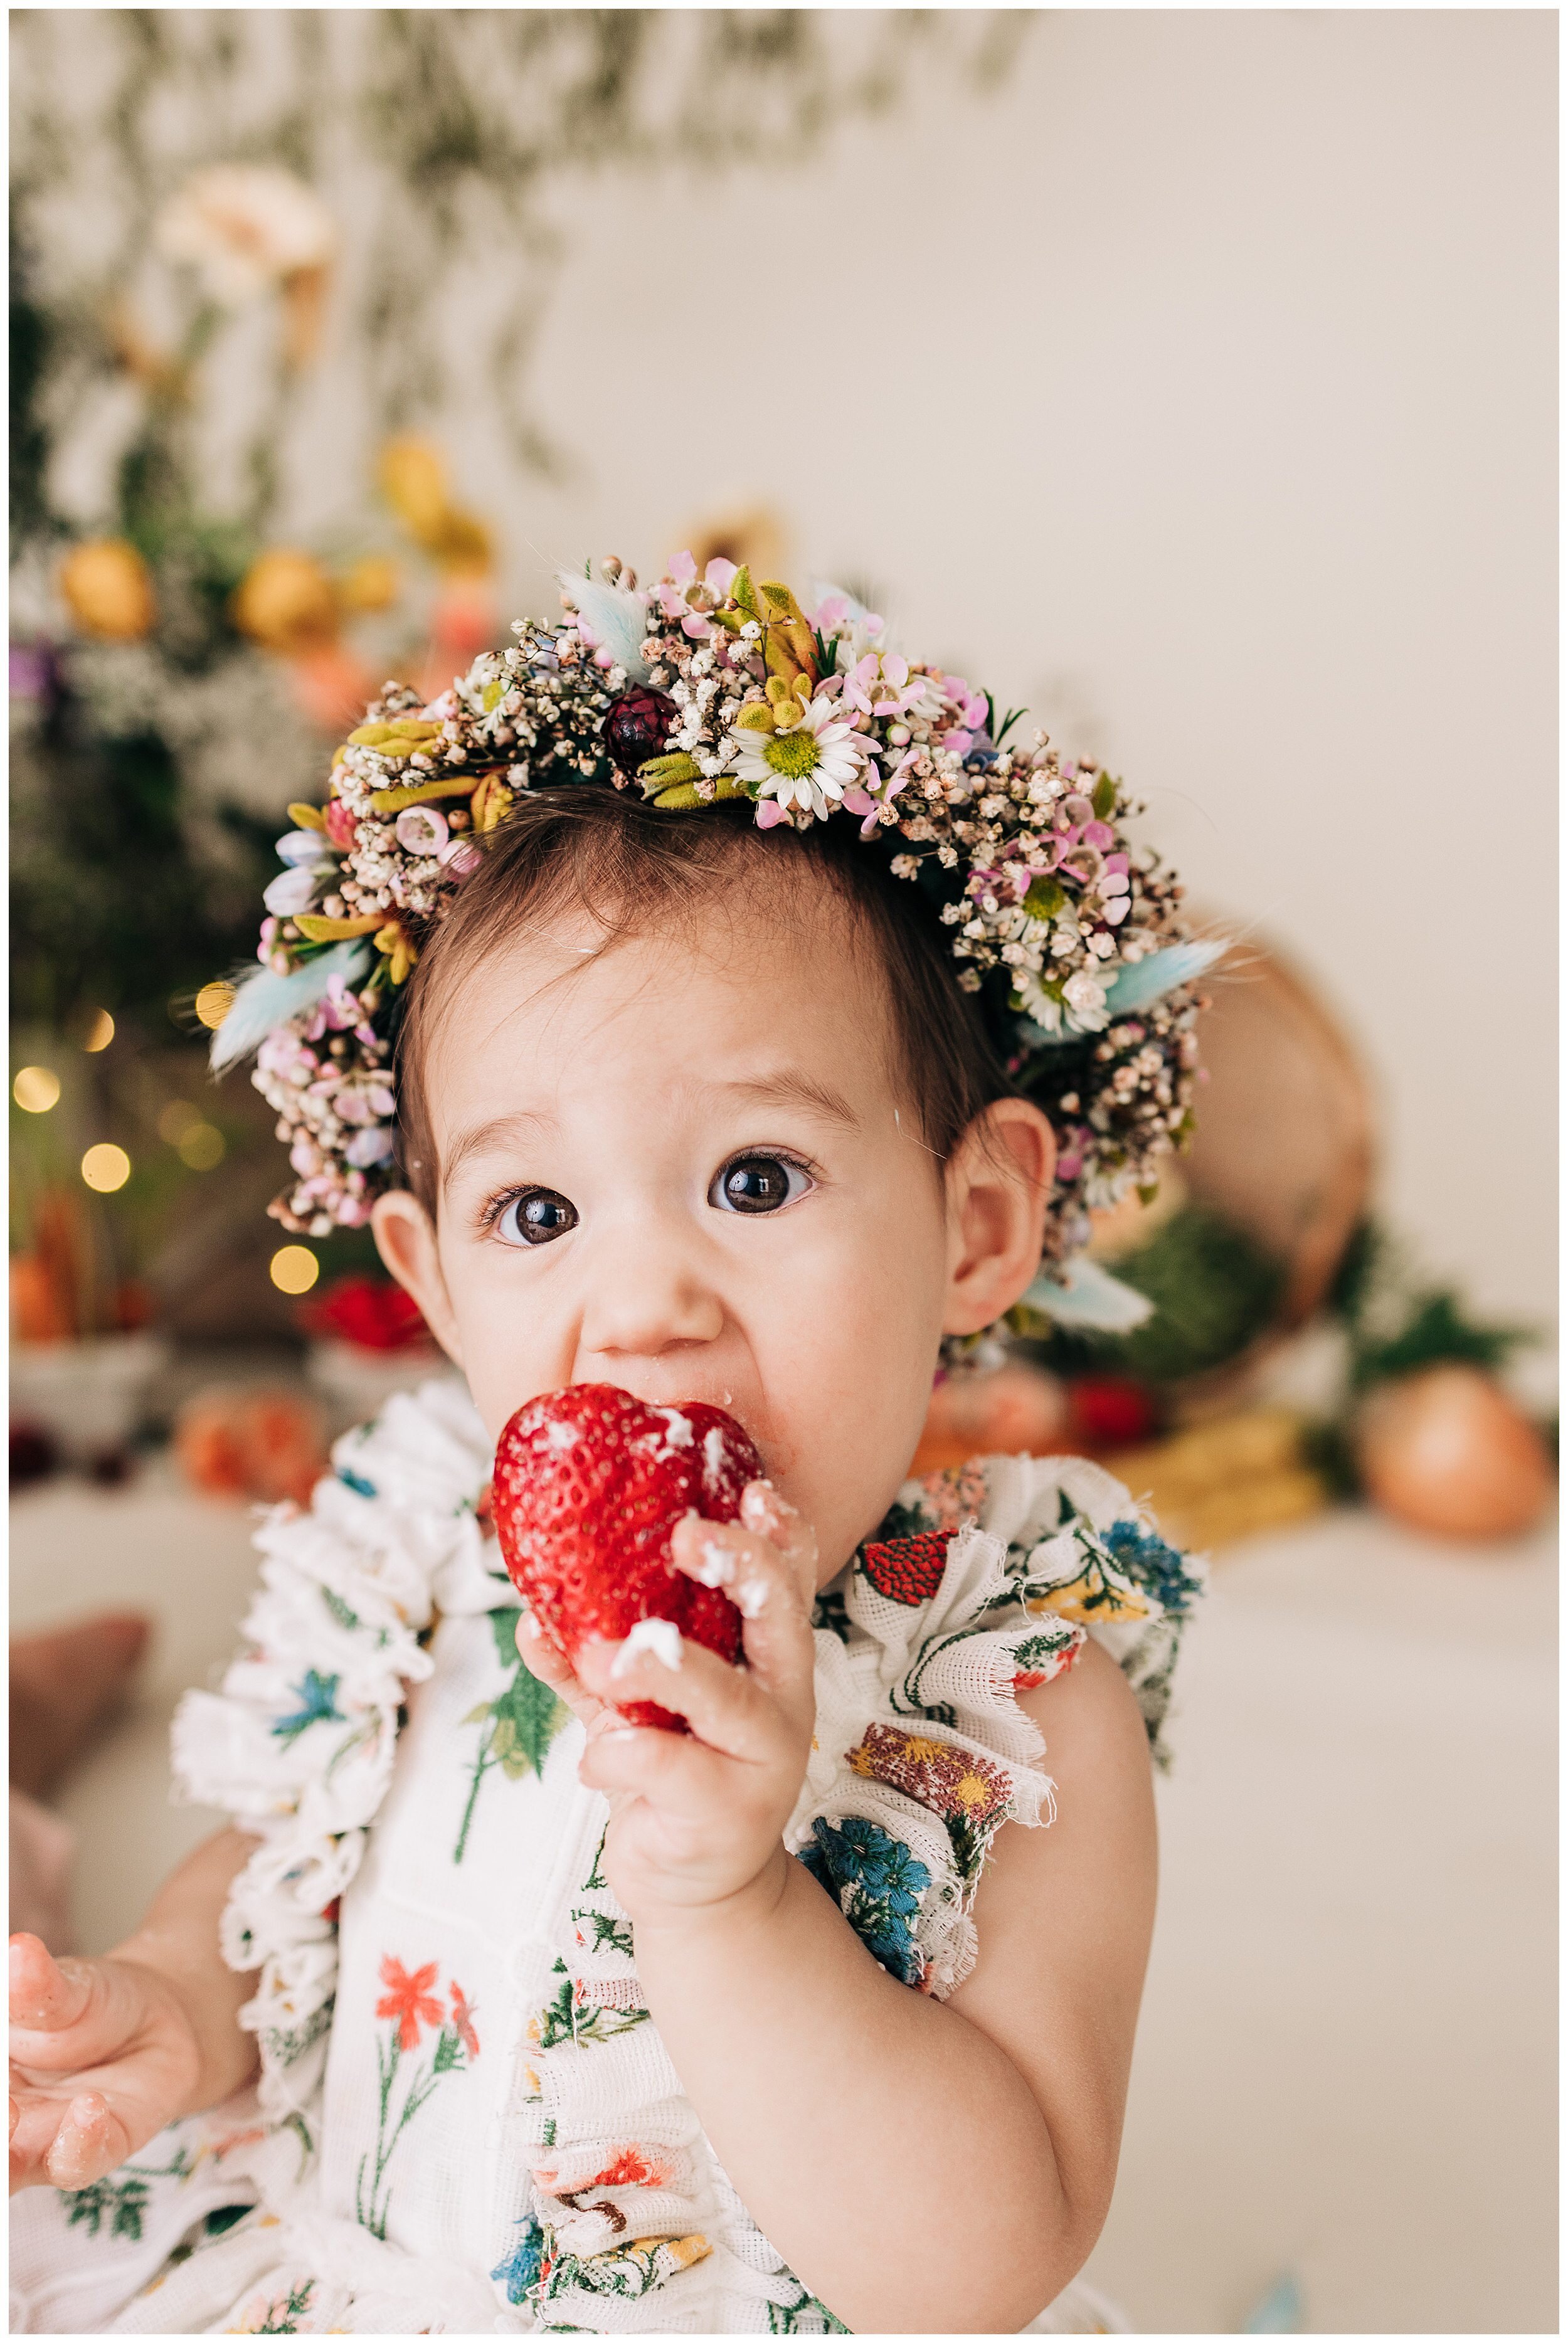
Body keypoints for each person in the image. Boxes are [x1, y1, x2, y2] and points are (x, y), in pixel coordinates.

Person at [9, 556, 1213, 2335]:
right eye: (535, 1209)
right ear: (424, 1277)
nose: (642, 1301)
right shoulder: (418, 1552)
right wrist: (182, 2006)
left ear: (973, 1223)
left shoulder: (1002, 1690)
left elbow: (981, 2262)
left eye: (753, 1179)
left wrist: (727, 1897)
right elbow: (272, 1884)